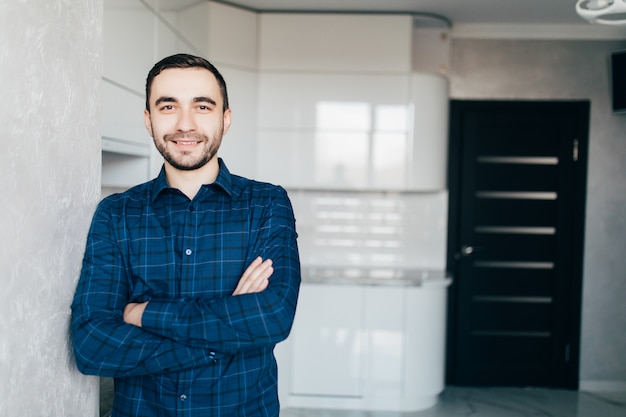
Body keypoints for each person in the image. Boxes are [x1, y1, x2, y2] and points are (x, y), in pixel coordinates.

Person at [71, 53, 301, 416]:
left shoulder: (267, 204)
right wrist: (229, 334)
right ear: (148, 120)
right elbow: (92, 345)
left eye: (203, 107)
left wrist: (142, 313)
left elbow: (272, 316)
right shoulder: (116, 213)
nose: (185, 124)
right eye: (168, 107)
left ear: (226, 120)